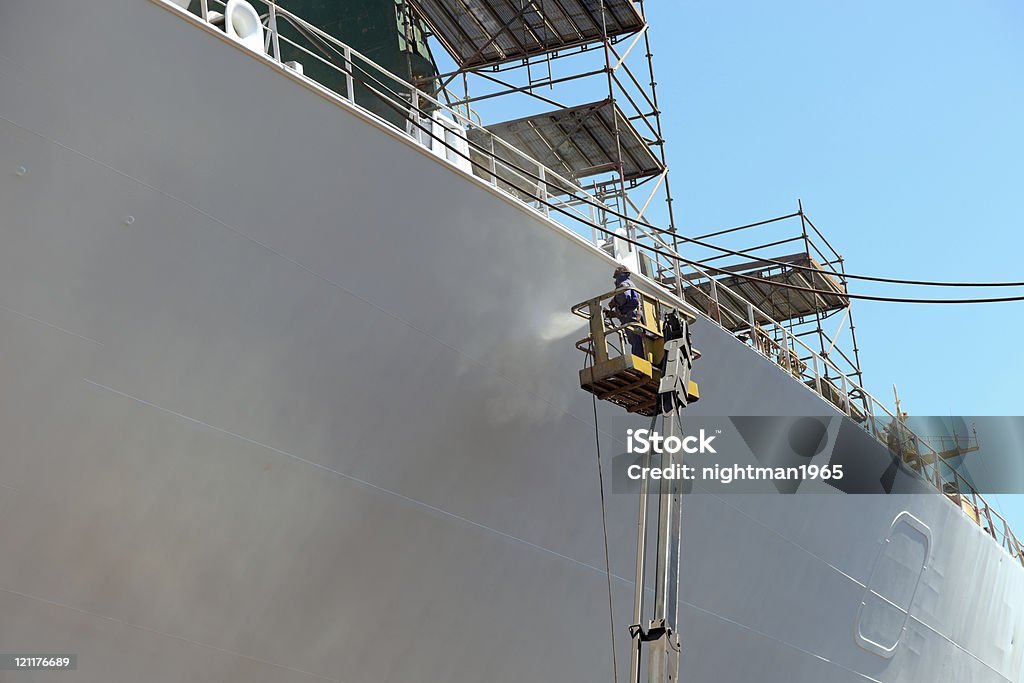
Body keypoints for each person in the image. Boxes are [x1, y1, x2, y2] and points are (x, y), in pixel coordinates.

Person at [607, 265, 645, 358]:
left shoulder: (624, 284)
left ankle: (639, 360)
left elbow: (624, 297)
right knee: (637, 342)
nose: (615, 280)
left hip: (632, 319)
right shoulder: (629, 283)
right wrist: (615, 314)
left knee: (636, 341)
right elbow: (628, 305)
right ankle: (639, 358)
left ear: (620, 275)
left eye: (616, 277)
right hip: (634, 317)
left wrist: (614, 301)